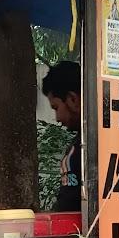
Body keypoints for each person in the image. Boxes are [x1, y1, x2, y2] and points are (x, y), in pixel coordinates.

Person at [41, 60, 82, 212]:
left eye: (56, 107)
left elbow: (66, 208)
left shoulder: (77, 152)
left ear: (72, 99)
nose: (57, 118)